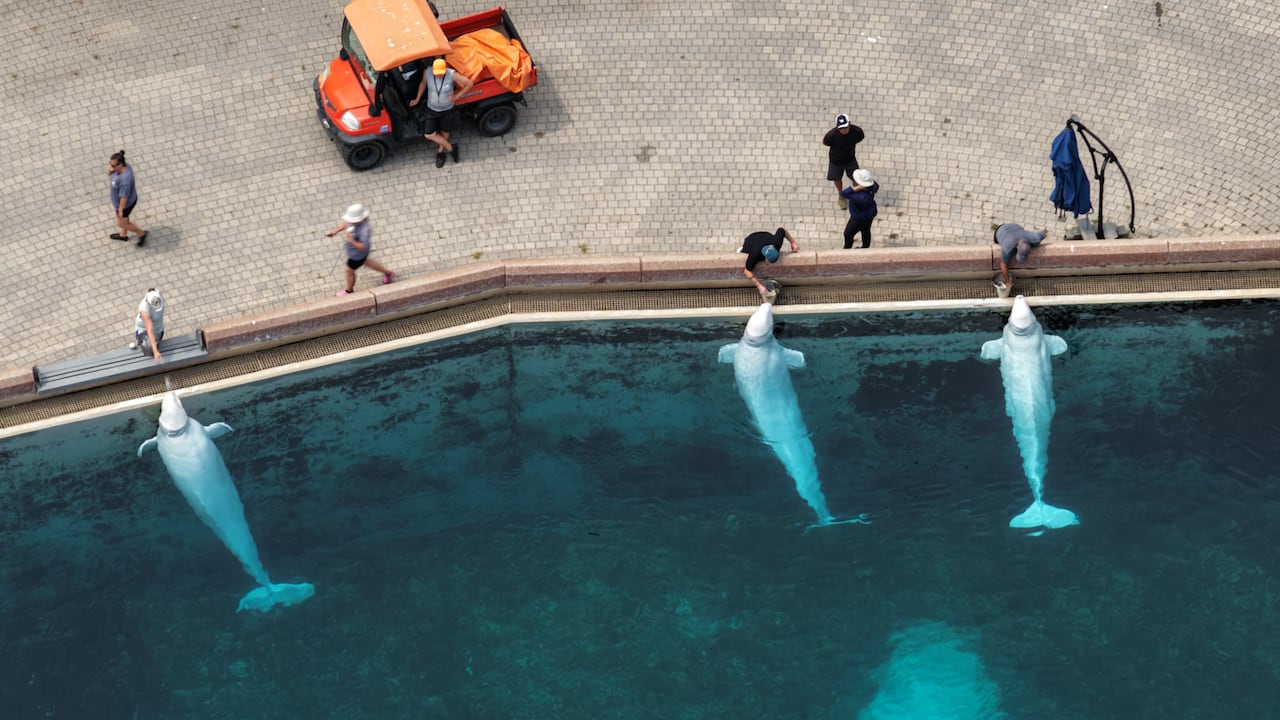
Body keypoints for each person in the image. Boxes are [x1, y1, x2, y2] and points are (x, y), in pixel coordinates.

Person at [413, 58, 474, 168]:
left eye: (441, 73)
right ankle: (451, 148)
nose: (439, 75)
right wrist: (417, 98)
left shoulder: (452, 74)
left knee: (445, 131)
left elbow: (469, 84)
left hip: (447, 110)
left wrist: (456, 96)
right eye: (437, 73)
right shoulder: (427, 72)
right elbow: (423, 83)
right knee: (429, 134)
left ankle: (440, 153)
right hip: (432, 109)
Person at [326, 203, 394, 296]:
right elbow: (347, 223)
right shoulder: (355, 222)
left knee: (349, 270)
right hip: (359, 254)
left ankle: (349, 291)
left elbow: (363, 247)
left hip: (357, 255)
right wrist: (336, 231)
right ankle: (388, 273)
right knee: (366, 261)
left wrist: (350, 239)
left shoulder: (364, 230)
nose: (350, 221)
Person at [740, 227, 799, 299]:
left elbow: (782, 229)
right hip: (750, 240)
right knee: (745, 253)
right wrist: (759, 286)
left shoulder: (777, 242)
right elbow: (747, 271)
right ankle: (740, 249)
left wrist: (792, 242)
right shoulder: (755, 254)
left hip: (764, 235)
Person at [823, 114, 865, 210]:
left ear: (849, 124)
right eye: (841, 128)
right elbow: (826, 142)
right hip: (835, 161)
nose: (844, 130)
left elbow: (860, 137)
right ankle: (841, 195)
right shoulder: (831, 135)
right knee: (837, 178)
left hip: (850, 159)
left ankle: (855, 194)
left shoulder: (856, 131)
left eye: (845, 127)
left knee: (856, 177)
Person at [108, 150, 148, 246]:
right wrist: (110, 170)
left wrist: (121, 209)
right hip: (122, 203)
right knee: (124, 220)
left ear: (120, 164)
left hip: (125, 204)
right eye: (110, 164)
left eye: (113, 165)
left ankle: (141, 233)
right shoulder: (120, 168)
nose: (111, 167)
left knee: (121, 223)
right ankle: (123, 235)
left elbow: (124, 197)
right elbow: (109, 174)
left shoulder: (125, 180)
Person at [993, 223, 1047, 287]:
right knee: (997, 242)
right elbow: (1003, 265)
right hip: (1000, 230)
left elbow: (1044, 233)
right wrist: (1007, 282)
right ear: (1017, 246)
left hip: (1015, 226)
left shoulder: (1035, 239)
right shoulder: (1008, 247)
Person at [840, 168, 879, 249]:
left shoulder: (859, 197)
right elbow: (876, 185)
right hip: (871, 213)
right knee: (866, 230)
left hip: (859, 218)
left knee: (848, 233)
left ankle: (847, 248)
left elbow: (843, 193)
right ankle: (865, 246)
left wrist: (855, 188)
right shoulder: (872, 186)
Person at [129, 288, 165, 361]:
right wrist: (155, 352)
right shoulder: (144, 309)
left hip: (158, 328)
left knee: (157, 344)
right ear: (148, 302)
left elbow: (152, 290)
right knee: (148, 350)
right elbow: (150, 331)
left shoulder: (157, 295)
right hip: (144, 330)